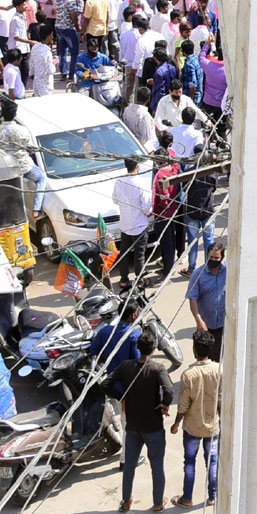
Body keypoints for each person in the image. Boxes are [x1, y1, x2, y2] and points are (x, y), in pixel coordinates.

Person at [112, 333, 174, 514]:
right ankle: (158, 503)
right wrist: (165, 404)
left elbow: (106, 384)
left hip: (132, 425)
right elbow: (169, 389)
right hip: (153, 426)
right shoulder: (158, 368)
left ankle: (126, 501)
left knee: (129, 464)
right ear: (154, 348)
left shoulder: (126, 366)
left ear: (138, 348)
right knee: (157, 466)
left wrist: (121, 396)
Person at [170, 330, 221, 508]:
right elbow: (221, 399)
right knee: (212, 461)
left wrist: (176, 423)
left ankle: (187, 498)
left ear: (194, 349)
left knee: (190, 462)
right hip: (212, 426)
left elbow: (183, 405)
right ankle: (213, 497)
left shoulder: (188, 375)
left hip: (192, 427)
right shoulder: (218, 370)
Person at [110, 157, 153, 291]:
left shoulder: (119, 182)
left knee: (124, 253)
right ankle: (139, 281)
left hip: (125, 224)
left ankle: (123, 280)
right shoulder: (141, 183)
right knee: (139, 255)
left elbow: (115, 200)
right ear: (137, 166)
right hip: (140, 225)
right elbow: (147, 207)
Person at [186, 245, 227, 361]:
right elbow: (192, 298)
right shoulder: (198, 274)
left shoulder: (229, 271)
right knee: (203, 358)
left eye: (216, 258)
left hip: (224, 325)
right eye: (210, 257)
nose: (213, 260)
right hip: (206, 326)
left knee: (219, 359)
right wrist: (199, 320)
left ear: (222, 258)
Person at [87, 302, 141, 375]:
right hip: (129, 380)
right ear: (133, 315)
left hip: (112, 378)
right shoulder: (135, 335)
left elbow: (93, 349)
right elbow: (139, 360)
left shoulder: (105, 330)